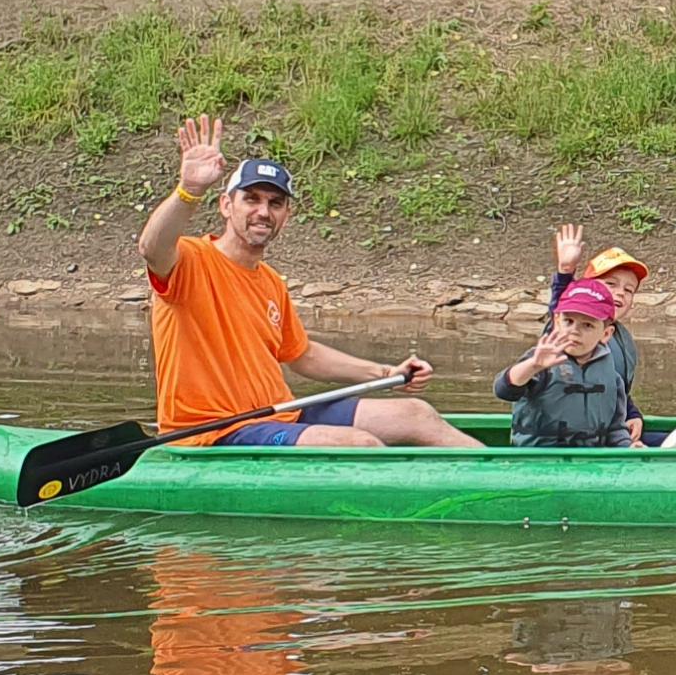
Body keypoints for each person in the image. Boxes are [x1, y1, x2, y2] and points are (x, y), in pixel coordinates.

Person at [137, 113, 477, 448]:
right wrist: (189, 191)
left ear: (286, 214)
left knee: (416, 414)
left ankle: (512, 481)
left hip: (277, 415)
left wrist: (386, 374)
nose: (263, 211)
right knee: (359, 444)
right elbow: (151, 248)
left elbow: (303, 356)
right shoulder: (190, 260)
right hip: (213, 432)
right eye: (251, 198)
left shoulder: (270, 281)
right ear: (227, 205)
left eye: (275, 203)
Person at [495, 278, 641, 447]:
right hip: (537, 461)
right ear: (557, 322)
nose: (575, 331)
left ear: (606, 334)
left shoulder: (612, 378)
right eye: (568, 321)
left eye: (587, 325)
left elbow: (615, 429)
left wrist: (628, 448)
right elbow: (503, 390)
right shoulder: (541, 361)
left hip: (589, 463)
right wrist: (532, 366)